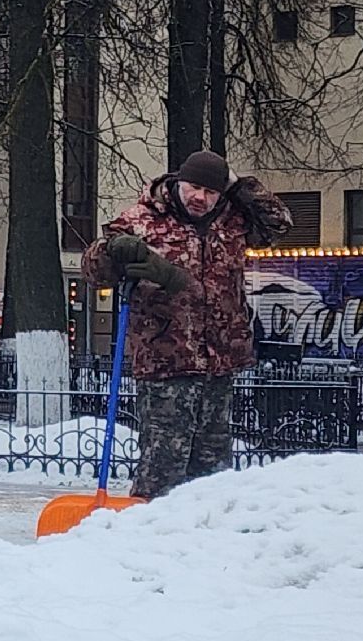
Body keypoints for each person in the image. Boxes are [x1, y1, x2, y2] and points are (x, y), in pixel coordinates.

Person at [81, 149, 292, 499]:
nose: (200, 198)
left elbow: (279, 222)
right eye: (194, 187)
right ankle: (150, 535)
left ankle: (206, 538)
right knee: (164, 463)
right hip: (166, 360)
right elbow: (94, 272)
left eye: (210, 192)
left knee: (213, 468)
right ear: (179, 182)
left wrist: (238, 186)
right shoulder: (144, 218)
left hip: (220, 360)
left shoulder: (233, 220)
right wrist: (113, 252)